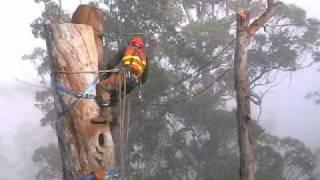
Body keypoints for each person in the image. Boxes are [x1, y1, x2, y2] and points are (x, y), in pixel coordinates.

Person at [92, 36, 148, 123]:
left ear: (132, 43)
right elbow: (144, 79)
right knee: (115, 96)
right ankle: (115, 118)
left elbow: (111, 64)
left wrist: (108, 76)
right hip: (134, 82)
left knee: (101, 86)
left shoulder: (126, 49)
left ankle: (105, 115)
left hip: (124, 76)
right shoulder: (145, 57)